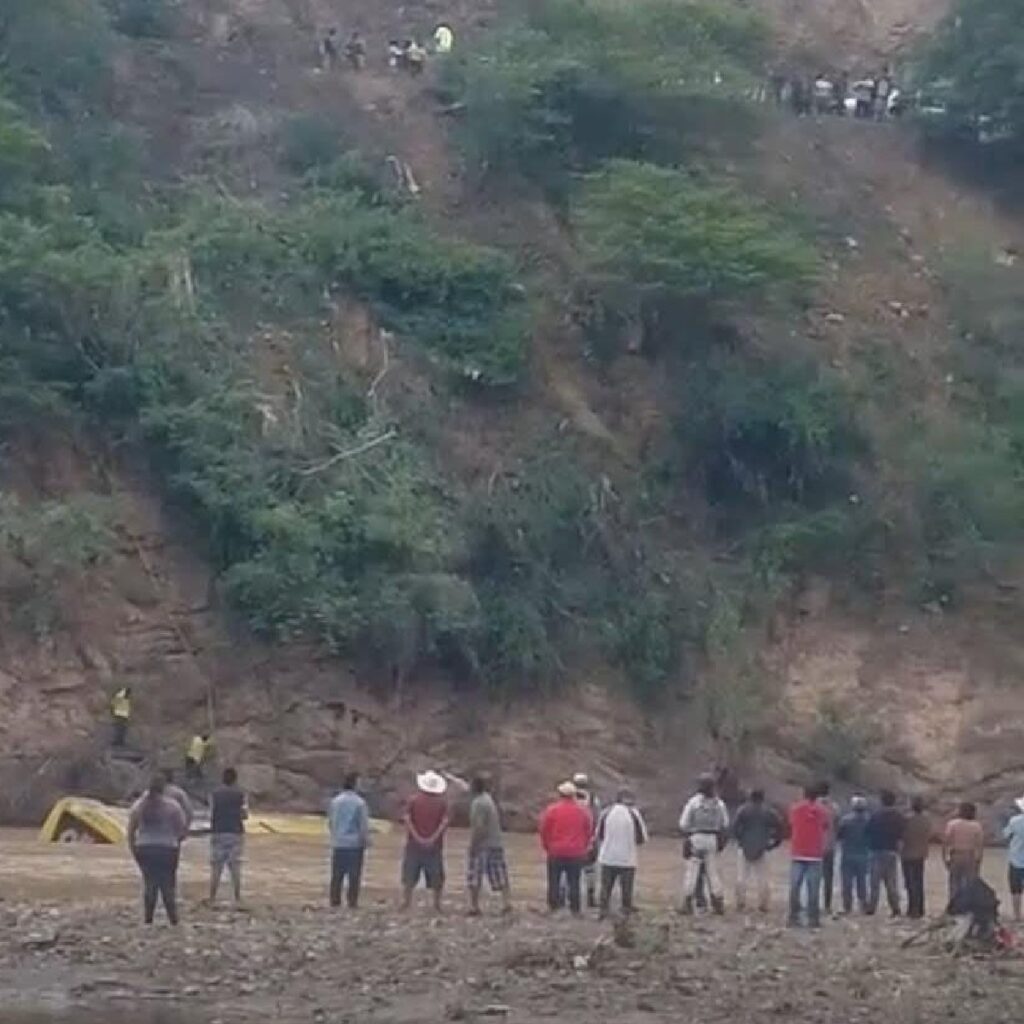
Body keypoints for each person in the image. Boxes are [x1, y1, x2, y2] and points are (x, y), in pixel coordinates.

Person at [127, 774, 187, 925]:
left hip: (145, 847)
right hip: (168, 848)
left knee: (149, 884)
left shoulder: (138, 806)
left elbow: (130, 831)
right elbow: (181, 829)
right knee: (168, 884)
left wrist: (134, 850)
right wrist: (176, 842)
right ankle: (173, 920)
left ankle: (148, 919)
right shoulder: (173, 806)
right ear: (164, 789)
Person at [539, 781, 592, 915]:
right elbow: (588, 830)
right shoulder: (583, 811)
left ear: (560, 794)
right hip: (575, 852)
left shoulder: (552, 810)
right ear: (574, 795)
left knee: (554, 881)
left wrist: (547, 846)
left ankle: (554, 906)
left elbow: (544, 830)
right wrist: (583, 847)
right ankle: (575, 908)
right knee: (574, 881)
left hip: (556, 851)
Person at [679, 774, 729, 915]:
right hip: (712, 838)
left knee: (692, 872)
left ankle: (687, 903)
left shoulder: (694, 802)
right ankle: (718, 903)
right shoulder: (719, 804)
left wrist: (689, 834)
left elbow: (683, 824)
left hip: (696, 837)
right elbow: (725, 824)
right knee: (713, 872)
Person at [596, 787, 648, 918]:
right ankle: (626, 909)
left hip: (608, 856)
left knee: (606, 887)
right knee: (626, 887)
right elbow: (641, 838)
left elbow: (599, 834)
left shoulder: (606, 812)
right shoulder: (633, 813)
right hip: (627, 858)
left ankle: (603, 910)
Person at [402, 770, 450, 911]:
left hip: (414, 844)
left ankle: (407, 902)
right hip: (434, 846)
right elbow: (444, 823)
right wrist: (432, 838)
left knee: (409, 874)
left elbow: (407, 820)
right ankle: (436, 904)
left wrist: (417, 836)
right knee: (436, 875)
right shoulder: (442, 803)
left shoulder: (413, 800)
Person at [467, 775, 512, 916]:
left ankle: (474, 906)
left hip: (483, 845)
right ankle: (506, 903)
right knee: (500, 874)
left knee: (474, 875)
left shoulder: (478, 804)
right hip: (496, 842)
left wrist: (473, 845)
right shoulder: (488, 799)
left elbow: (479, 827)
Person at [732, 788, 783, 912]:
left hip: (745, 846)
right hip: (762, 847)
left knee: (742, 877)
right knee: (763, 878)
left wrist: (740, 841)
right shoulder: (769, 812)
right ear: (763, 798)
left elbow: (735, 827)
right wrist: (774, 843)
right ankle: (763, 904)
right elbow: (780, 827)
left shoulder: (743, 810)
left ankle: (740, 902)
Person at [788, 784, 830, 927]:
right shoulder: (822, 811)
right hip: (815, 853)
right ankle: (813, 919)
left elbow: (791, 824)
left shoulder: (795, 809)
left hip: (798, 852)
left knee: (795, 887)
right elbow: (825, 826)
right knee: (813, 888)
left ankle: (793, 917)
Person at [329, 771, 370, 909]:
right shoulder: (360, 803)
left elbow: (331, 822)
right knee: (354, 876)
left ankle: (335, 902)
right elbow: (362, 825)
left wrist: (334, 836)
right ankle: (352, 902)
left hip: (338, 843)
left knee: (336, 875)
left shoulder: (335, 801)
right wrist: (366, 841)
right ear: (355, 784)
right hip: (354, 844)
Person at [209, 767, 247, 906]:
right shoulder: (240, 794)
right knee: (235, 866)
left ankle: (212, 897)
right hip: (236, 832)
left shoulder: (214, 794)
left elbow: (212, 811)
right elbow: (245, 814)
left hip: (218, 831)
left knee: (216, 867)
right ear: (235, 779)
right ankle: (237, 897)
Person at [866, 789, 904, 916]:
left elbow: (868, 831)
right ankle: (895, 908)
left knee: (874, 882)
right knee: (891, 882)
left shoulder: (875, 815)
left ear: (882, 801)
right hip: (891, 851)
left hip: (876, 850)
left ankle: (872, 907)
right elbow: (901, 835)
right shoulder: (898, 816)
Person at [836, 795, 871, 914]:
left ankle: (847, 906)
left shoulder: (845, 820)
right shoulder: (868, 820)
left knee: (847, 882)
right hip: (863, 854)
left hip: (848, 853)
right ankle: (863, 904)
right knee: (862, 882)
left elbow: (839, 835)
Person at [943, 801, 984, 901]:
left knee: (954, 883)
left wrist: (944, 858)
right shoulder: (976, 826)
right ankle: (967, 907)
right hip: (970, 855)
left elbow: (946, 842)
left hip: (956, 854)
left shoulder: (952, 824)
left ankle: (953, 906)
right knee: (970, 883)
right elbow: (980, 845)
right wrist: (979, 860)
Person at [573, 772, 602, 908]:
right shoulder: (593, 800)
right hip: (589, 838)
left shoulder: (569, 799)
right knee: (590, 870)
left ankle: (570, 897)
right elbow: (597, 818)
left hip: (573, 839)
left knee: (570, 870)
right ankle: (590, 897)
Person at [901, 796, 931, 919]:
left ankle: (911, 908)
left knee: (909, 883)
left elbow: (903, 835)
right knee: (919, 882)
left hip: (907, 854)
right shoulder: (926, 820)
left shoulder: (907, 819)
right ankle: (920, 908)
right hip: (921, 854)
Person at [817, 782, 840, 915]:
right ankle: (827, 905)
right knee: (828, 877)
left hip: (815, 846)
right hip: (830, 845)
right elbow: (837, 825)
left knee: (813, 876)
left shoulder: (814, 806)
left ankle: (812, 902)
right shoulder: (834, 807)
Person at [1003, 795, 1024, 922]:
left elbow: (1006, 834)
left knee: (1015, 888)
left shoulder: (1014, 821)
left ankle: (1017, 915)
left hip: (1016, 859)